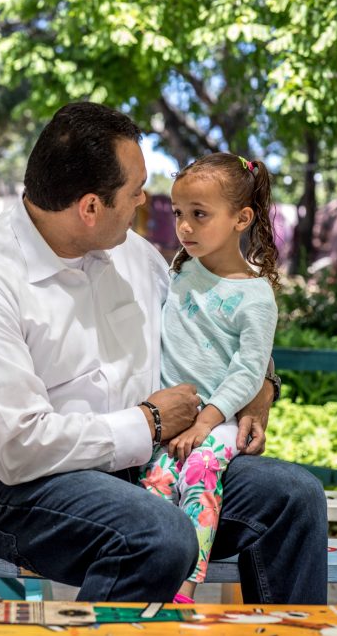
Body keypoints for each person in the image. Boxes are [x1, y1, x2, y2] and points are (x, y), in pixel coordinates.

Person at [0, 103, 327, 604]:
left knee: (295, 497)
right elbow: (17, 449)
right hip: (12, 486)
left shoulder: (137, 258)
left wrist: (264, 383)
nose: (142, 202)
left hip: (148, 464)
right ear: (90, 207)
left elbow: (223, 327)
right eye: (134, 192)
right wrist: (150, 420)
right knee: (158, 533)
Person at [139, 154, 279, 602]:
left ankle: (184, 586)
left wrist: (206, 421)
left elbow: (249, 370)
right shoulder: (178, 273)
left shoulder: (255, 297)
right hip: (169, 420)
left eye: (199, 214)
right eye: (180, 213)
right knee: (156, 484)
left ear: (242, 218)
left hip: (216, 422)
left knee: (199, 474)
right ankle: (154, 576)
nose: (184, 226)